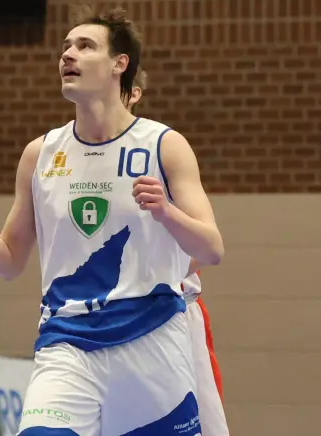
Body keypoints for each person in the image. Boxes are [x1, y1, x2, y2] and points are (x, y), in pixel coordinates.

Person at [0, 8, 224, 436]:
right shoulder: (41, 153)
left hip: (151, 341)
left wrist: (166, 212)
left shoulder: (165, 145)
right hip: (66, 342)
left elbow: (211, 249)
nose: (68, 55)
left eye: (84, 46)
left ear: (119, 64)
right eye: (65, 47)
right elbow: (10, 259)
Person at [126, 70, 227, 436]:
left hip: (172, 311)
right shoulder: (73, 158)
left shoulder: (160, 148)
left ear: (132, 92)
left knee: (201, 425)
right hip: (106, 321)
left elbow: (209, 246)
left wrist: (149, 275)